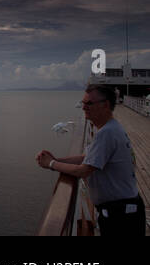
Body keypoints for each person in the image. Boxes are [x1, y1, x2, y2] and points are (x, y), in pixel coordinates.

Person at [37, 85, 145, 236]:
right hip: (124, 210)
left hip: (121, 216)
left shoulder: (107, 133)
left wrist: (51, 164)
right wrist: (57, 159)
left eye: (89, 104)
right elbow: (86, 158)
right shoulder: (111, 128)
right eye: (83, 103)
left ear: (105, 105)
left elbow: (84, 170)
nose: (84, 108)